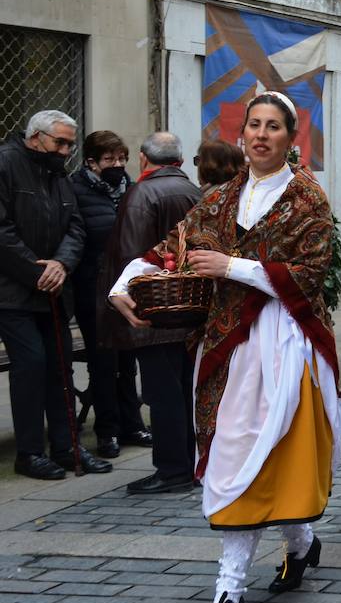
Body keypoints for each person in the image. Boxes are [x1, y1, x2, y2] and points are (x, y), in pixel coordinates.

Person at [109, 92, 339, 603]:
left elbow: (310, 272)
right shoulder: (221, 197)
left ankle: (229, 592)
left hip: (284, 344)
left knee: (265, 455)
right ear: (243, 136)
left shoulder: (308, 198)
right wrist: (124, 282)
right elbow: (174, 248)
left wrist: (232, 265)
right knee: (243, 453)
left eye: (273, 127)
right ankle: (301, 543)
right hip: (229, 345)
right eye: (253, 125)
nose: (260, 135)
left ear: (291, 138)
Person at [0, 110, 108, 480]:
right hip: (14, 292)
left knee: (60, 367)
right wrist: (36, 270)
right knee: (30, 366)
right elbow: (2, 231)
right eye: (59, 143)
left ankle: (67, 447)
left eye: (70, 145)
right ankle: (29, 453)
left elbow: (76, 227)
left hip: (54, 290)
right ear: (35, 137)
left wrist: (60, 264)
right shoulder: (6, 164)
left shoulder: (58, 174)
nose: (65, 151)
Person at [102, 132, 204, 494]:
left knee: (162, 395)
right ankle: (188, 465)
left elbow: (131, 255)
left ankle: (172, 470)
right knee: (183, 393)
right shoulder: (195, 191)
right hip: (190, 310)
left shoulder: (141, 194)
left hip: (154, 313)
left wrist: (120, 301)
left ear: (144, 159)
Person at [69, 130, 148, 459]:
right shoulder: (76, 189)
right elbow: (77, 234)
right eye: (109, 160)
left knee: (128, 358)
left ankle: (132, 423)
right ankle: (107, 430)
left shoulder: (128, 188)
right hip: (93, 287)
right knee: (103, 360)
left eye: (121, 159)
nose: (117, 165)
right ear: (91, 162)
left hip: (127, 285)